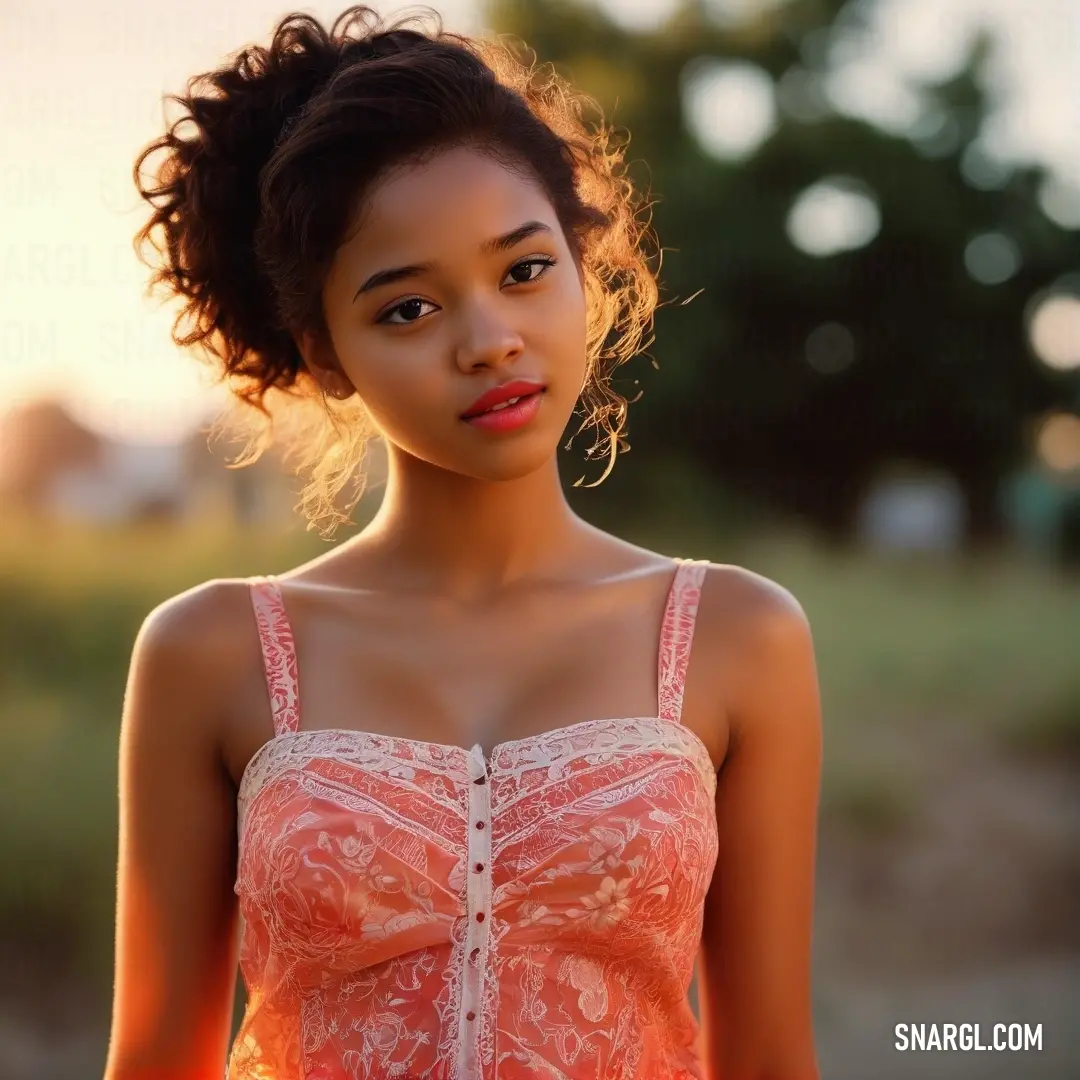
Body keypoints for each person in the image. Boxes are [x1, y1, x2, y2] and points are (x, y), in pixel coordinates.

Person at [104, 7, 822, 1079]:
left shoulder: (738, 635)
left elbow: (766, 1057)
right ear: (326, 352)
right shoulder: (210, 653)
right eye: (406, 310)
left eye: (524, 271)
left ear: (585, 270)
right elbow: (157, 1059)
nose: (489, 341)